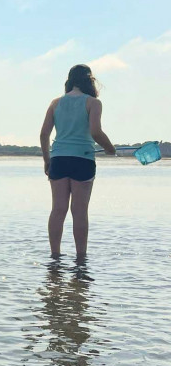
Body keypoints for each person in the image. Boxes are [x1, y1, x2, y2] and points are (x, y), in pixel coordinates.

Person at [40, 64, 115, 260]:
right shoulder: (93, 103)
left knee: (58, 209)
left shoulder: (55, 103)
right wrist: (110, 148)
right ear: (90, 81)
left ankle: (55, 256)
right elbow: (95, 132)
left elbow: (44, 134)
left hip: (58, 159)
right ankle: (81, 259)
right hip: (83, 159)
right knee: (79, 212)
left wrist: (47, 160)